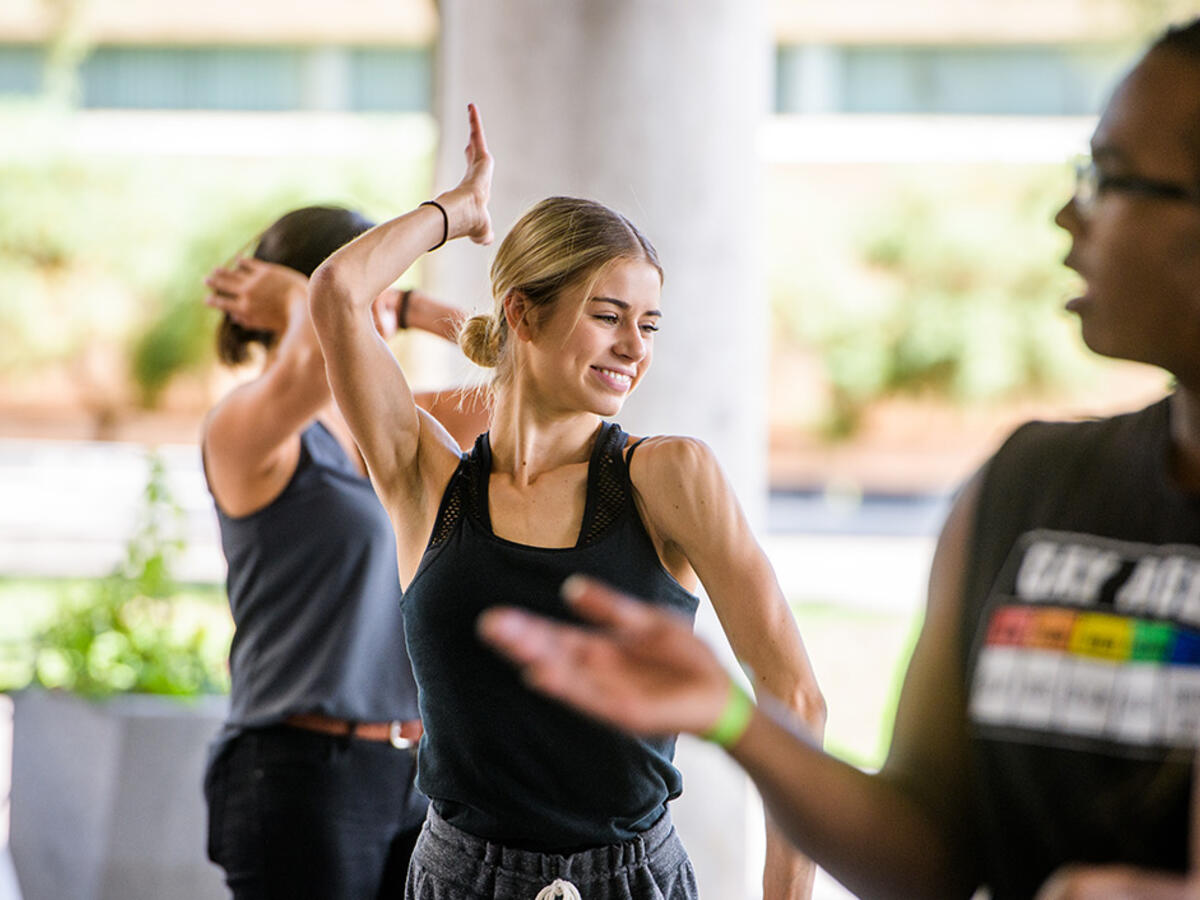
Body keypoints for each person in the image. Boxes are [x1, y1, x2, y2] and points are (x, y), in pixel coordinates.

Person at [479, 18, 1200, 900]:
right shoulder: (1030, 484)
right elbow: (927, 852)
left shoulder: (666, 472)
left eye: (1111, 178)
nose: (1068, 212)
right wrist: (732, 717)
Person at [307, 104, 826, 900]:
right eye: (608, 316)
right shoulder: (426, 480)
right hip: (458, 880)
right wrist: (459, 212)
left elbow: (794, 697)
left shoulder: (669, 479)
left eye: (649, 324)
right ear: (522, 311)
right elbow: (340, 289)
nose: (634, 348)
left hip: (631, 880)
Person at [200, 205, 489, 899]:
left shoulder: (386, 423)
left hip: (416, 776)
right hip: (298, 773)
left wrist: (417, 308)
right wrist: (314, 302)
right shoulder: (246, 425)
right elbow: (315, 359)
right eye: (365, 283)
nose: (372, 303)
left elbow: (520, 386)